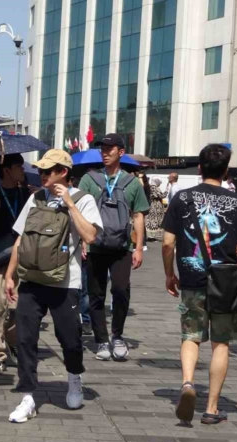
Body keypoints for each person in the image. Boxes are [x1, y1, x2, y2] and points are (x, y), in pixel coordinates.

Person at [162, 144, 237, 424]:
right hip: (227, 282)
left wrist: (170, 274)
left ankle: (188, 383)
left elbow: (168, 242)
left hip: (192, 279)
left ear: (199, 169)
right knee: (221, 343)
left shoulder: (181, 198)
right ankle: (212, 408)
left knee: (190, 336)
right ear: (226, 171)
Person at [5, 149, 103, 423]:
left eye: (48, 171)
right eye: (41, 171)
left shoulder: (83, 200)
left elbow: (91, 236)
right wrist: (11, 275)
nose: (42, 175)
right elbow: (21, 239)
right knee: (25, 339)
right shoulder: (35, 198)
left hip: (65, 281)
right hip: (32, 279)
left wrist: (69, 204)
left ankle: (74, 378)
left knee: (69, 338)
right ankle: (28, 397)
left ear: (64, 172)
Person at [78, 133, 149, 361]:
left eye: (110, 148)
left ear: (121, 152)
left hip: (122, 247)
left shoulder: (131, 183)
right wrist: (81, 241)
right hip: (95, 246)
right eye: (103, 148)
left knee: (120, 290)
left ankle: (117, 335)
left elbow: (138, 216)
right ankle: (101, 340)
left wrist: (138, 247)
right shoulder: (89, 179)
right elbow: (78, 212)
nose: (105, 152)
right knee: (95, 295)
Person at [0, 154, 30, 370]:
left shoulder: (27, 195)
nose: (23, 170)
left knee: (18, 306)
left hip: (21, 258)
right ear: (7, 170)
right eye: (19, 166)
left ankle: (11, 341)